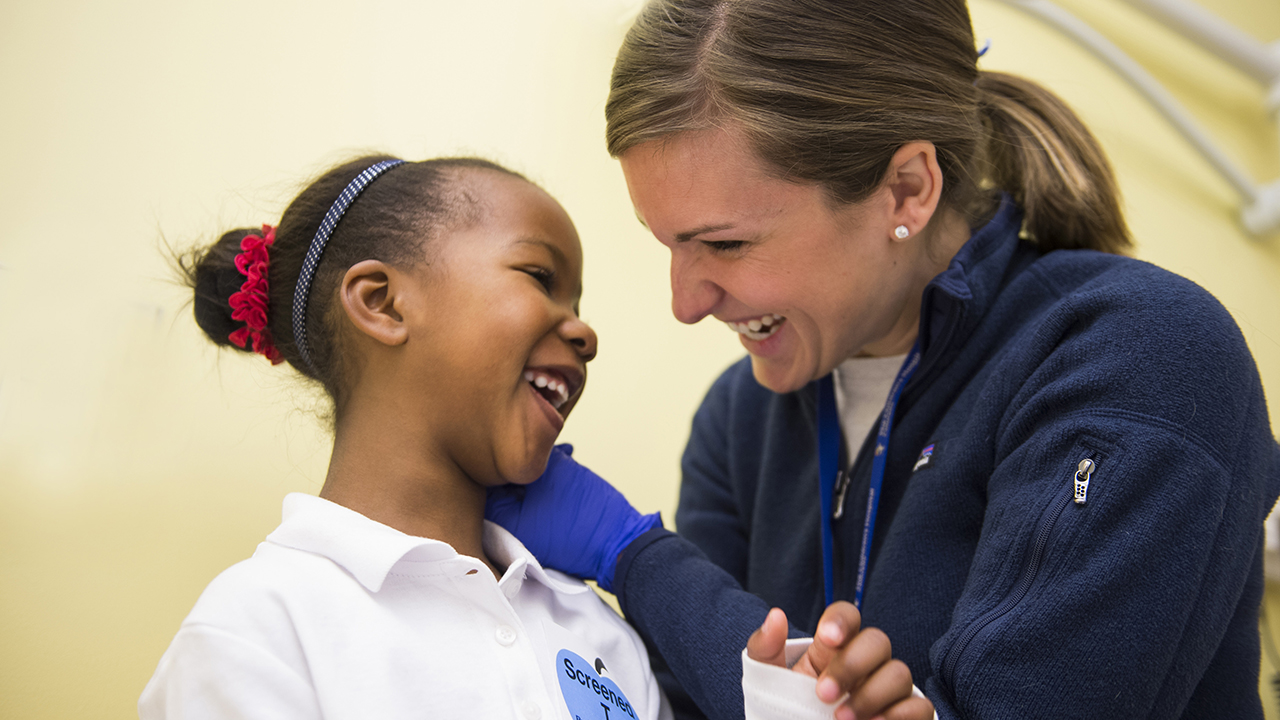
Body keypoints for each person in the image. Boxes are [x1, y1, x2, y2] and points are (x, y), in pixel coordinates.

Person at [484, 1, 1280, 719]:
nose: (686, 303)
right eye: (668, 245)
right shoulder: (740, 422)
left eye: (725, 244)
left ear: (906, 191)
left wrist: (639, 558)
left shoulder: (1134, 356)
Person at [140, 155, 925, 720]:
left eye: (576, 297)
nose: (583, 329)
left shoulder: (590, 627)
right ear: (381, 302)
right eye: (539, 277)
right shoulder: (259, 635)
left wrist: (808, 708)